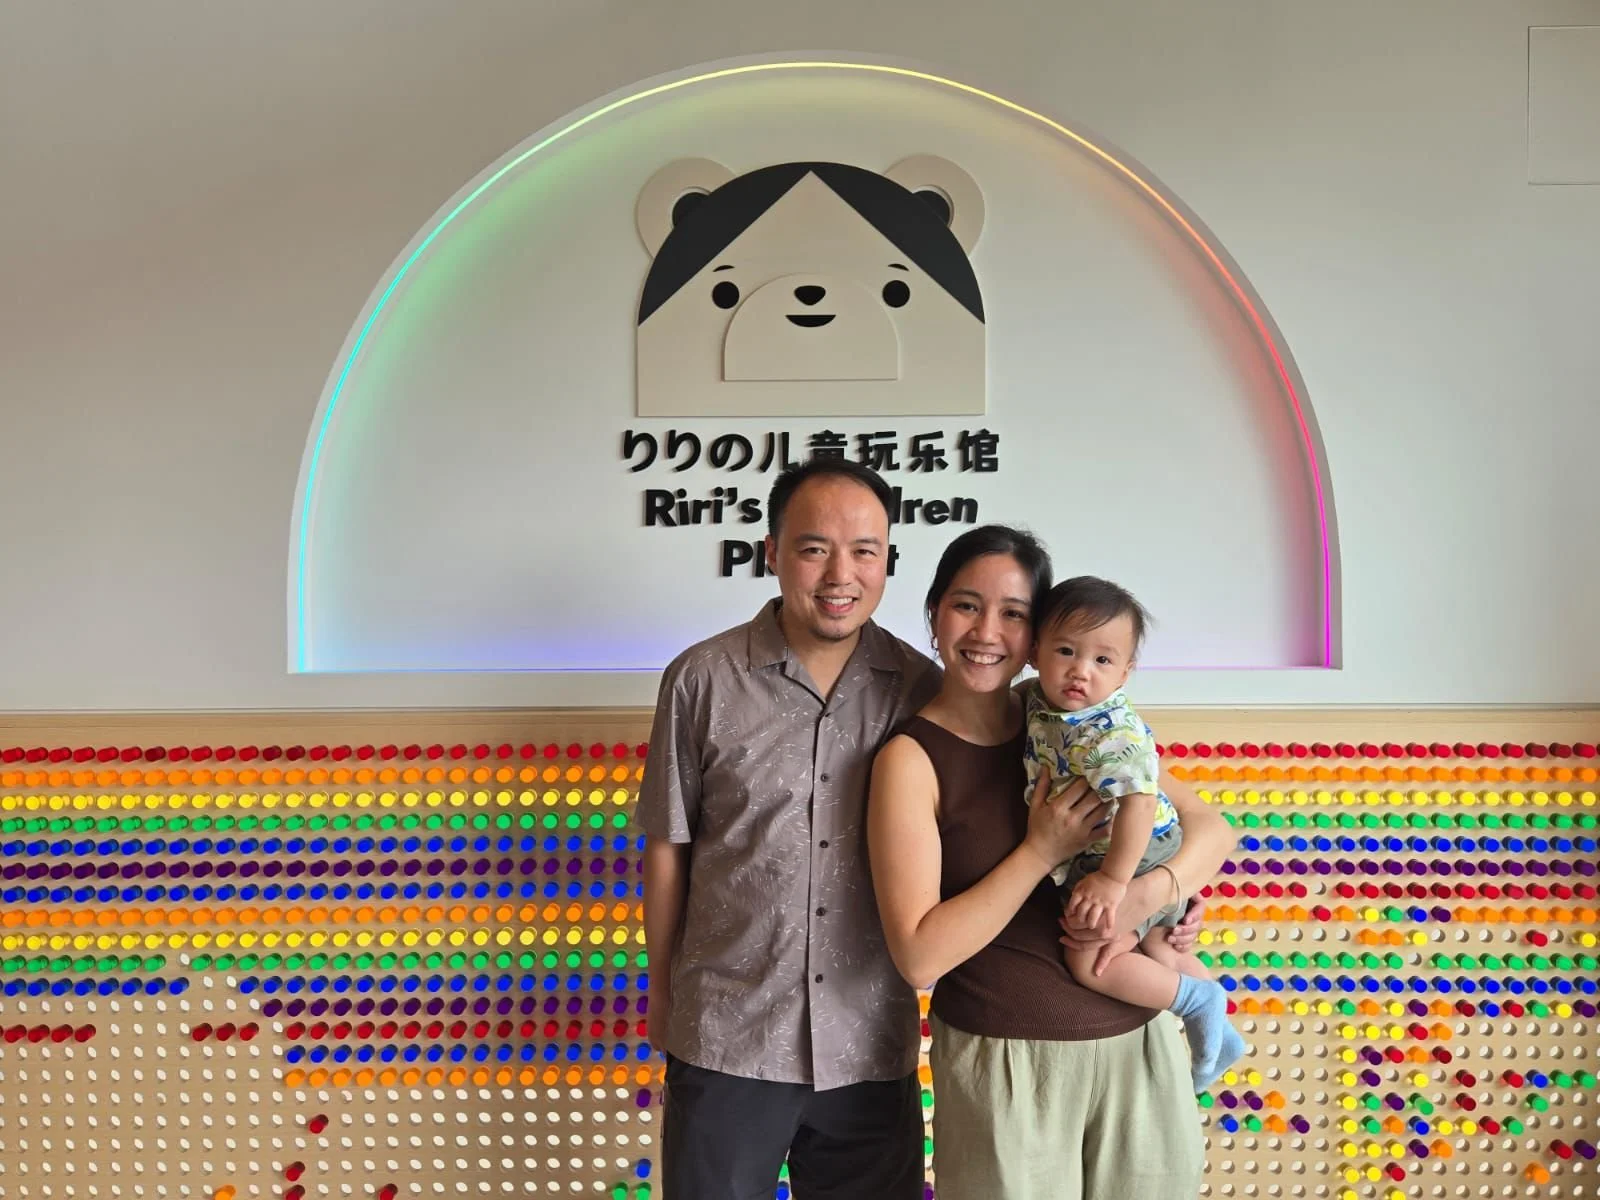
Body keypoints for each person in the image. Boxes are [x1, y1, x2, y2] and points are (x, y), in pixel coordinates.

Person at [868, 525, 1239, 1200]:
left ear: (1035, 634)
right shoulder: (911, 758)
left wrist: (1152, 895)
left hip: (1139, 1044)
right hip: (1005, 1062)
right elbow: (920, 958)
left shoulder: (1072, 720)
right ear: (934, 612)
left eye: (1013, 613)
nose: (987, 632)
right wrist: (1042, 850)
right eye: (966, 605)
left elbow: (1210, 828)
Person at [637, 458, 942, 1200]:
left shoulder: (923, 690)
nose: (841, 575)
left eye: (865, 551)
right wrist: (662, 994)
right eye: (814, 549)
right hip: (726, 1034)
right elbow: (670, 845)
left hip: (871, 1040)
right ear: (771, 552)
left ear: (887, 559)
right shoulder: (701, 679)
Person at [1024, 575, 1245, 1090]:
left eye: (1102, 660)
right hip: (1140, 849)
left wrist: (1114, 881)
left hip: (1132, 851)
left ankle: (1198, 1002)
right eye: (1066, 651)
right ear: (1035, 652)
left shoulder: (1108, 731)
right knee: (1164, 948)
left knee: (1089, 958)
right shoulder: (1041, 702)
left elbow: (1140, 804)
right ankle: (1224, 1036)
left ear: (1125, 673)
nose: (1080, 670)